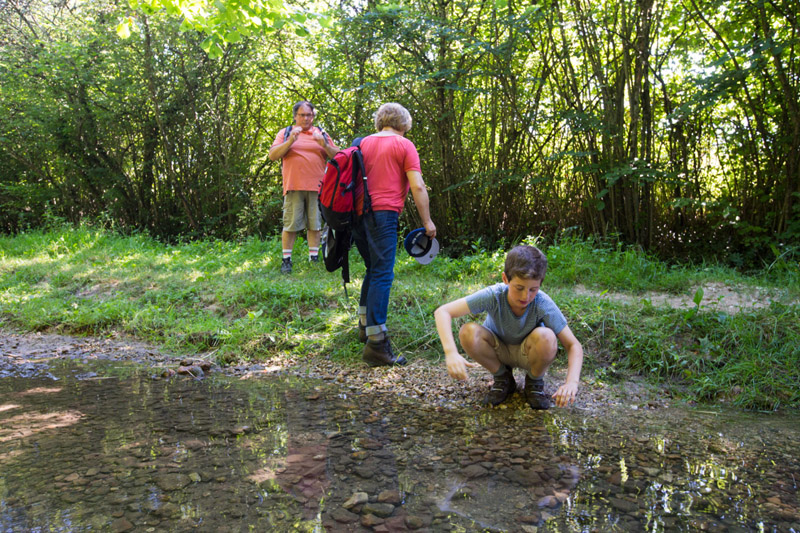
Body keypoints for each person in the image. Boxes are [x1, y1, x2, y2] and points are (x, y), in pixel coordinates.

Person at [434, 245, 583, 409]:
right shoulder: (493, 295)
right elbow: (443, 312)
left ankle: (534, 382)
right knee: (468, 332)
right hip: (498, 350)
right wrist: (450, 353)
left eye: (533, 289)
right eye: (519, 288)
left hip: (529, 352)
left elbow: (573, 345)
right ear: (505, 279)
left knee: (547, 336)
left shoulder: (542, 303)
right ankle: (502, 378)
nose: (526, 296)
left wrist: (572, 382)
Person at [353, 103, 436, 367]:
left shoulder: (362, 143)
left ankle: (365, 326)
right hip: (383, 214)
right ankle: (377, 344)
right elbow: (418, 186)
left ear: (381, 121)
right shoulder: (404, 145)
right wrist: (427, 221)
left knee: (372, 268)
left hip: (356, 214)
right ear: (404, 124)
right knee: (383, 273)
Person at [269, 101, 339, 274]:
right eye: (302, 115)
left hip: (318, 187)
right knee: (291, 224)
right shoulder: (285, 133)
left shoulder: (321, 133)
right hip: (294, 186)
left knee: (315, 225)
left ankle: (313, 259)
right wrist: (291, 140)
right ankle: (286, 260)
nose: (306, 118)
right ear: (295, 116)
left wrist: (323, 144)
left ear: (313, 117)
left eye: (309, 115)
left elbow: (338, 156)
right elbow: (273, 155)